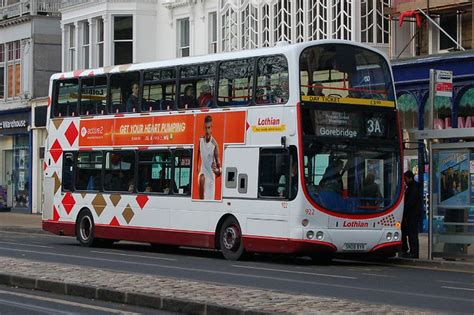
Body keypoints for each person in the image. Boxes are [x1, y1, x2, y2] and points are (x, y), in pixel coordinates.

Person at [197, 115, 221, 200]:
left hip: (211, 180)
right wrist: (197, 167)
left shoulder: (215, 145)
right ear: (203, 128)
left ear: (211, 128)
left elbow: (219, 170)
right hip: (203, 173)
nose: (207, 131)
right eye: (205, 128)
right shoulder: (200, 141)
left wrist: (216, 170)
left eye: (209, 128)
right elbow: (197, 156)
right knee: (201, 178)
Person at [401, 170, 423, 259]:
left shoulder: (413, 188)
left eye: (406, 179)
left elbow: (410, 202)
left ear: (410, 178)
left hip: (412, 215)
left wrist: (404, 210)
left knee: (412, 234)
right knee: (410, 233)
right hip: (411, 214)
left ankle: (414, 252)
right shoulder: (411, 187)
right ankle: (411, 251)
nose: (405, 181)